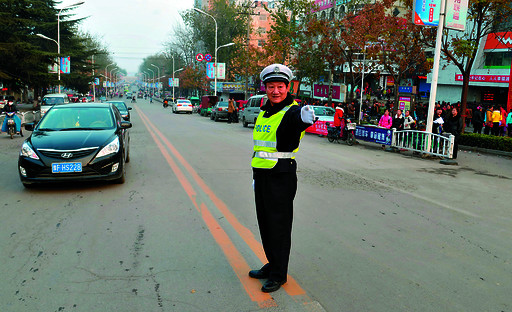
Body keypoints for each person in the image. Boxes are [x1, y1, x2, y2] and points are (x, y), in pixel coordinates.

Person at [249, 64, 316, 293]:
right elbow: (260, 146)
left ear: (288, 87)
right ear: (265, 87)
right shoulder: (264, 110)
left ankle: (279, 274)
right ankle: (272, 263)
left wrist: (306, 120)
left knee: (278, 226)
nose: (275, 91)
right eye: (271, 86)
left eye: (280, 86)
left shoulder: (293, 112)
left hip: (281, 176)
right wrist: (256, 176)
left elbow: (299, 122)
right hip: (262, 174)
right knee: (265, 224)